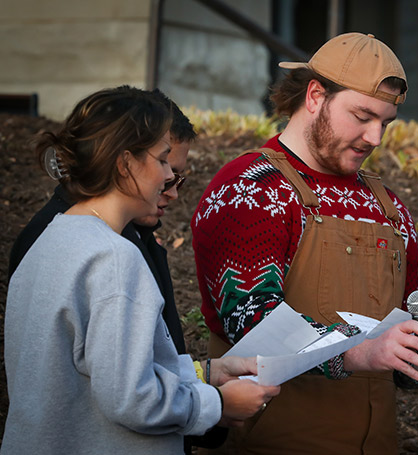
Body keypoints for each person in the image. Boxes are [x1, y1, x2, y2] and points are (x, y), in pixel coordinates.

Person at [191, 32, 418, 454]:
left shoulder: (390, 207)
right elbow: (253, 323)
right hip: (274, 443)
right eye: (362, 116)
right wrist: (362, 351)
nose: (375, 137)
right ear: (314, 96)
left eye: (385, 122)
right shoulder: (250, 188)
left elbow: (394, 337)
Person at [2, 86, 280, 455]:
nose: (169, 177)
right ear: (126, 162)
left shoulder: (53, 237)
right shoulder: (114, 257)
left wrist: (205, 374)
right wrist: (218, 404)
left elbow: (96, 372)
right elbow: (133, 399)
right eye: (163, 160)